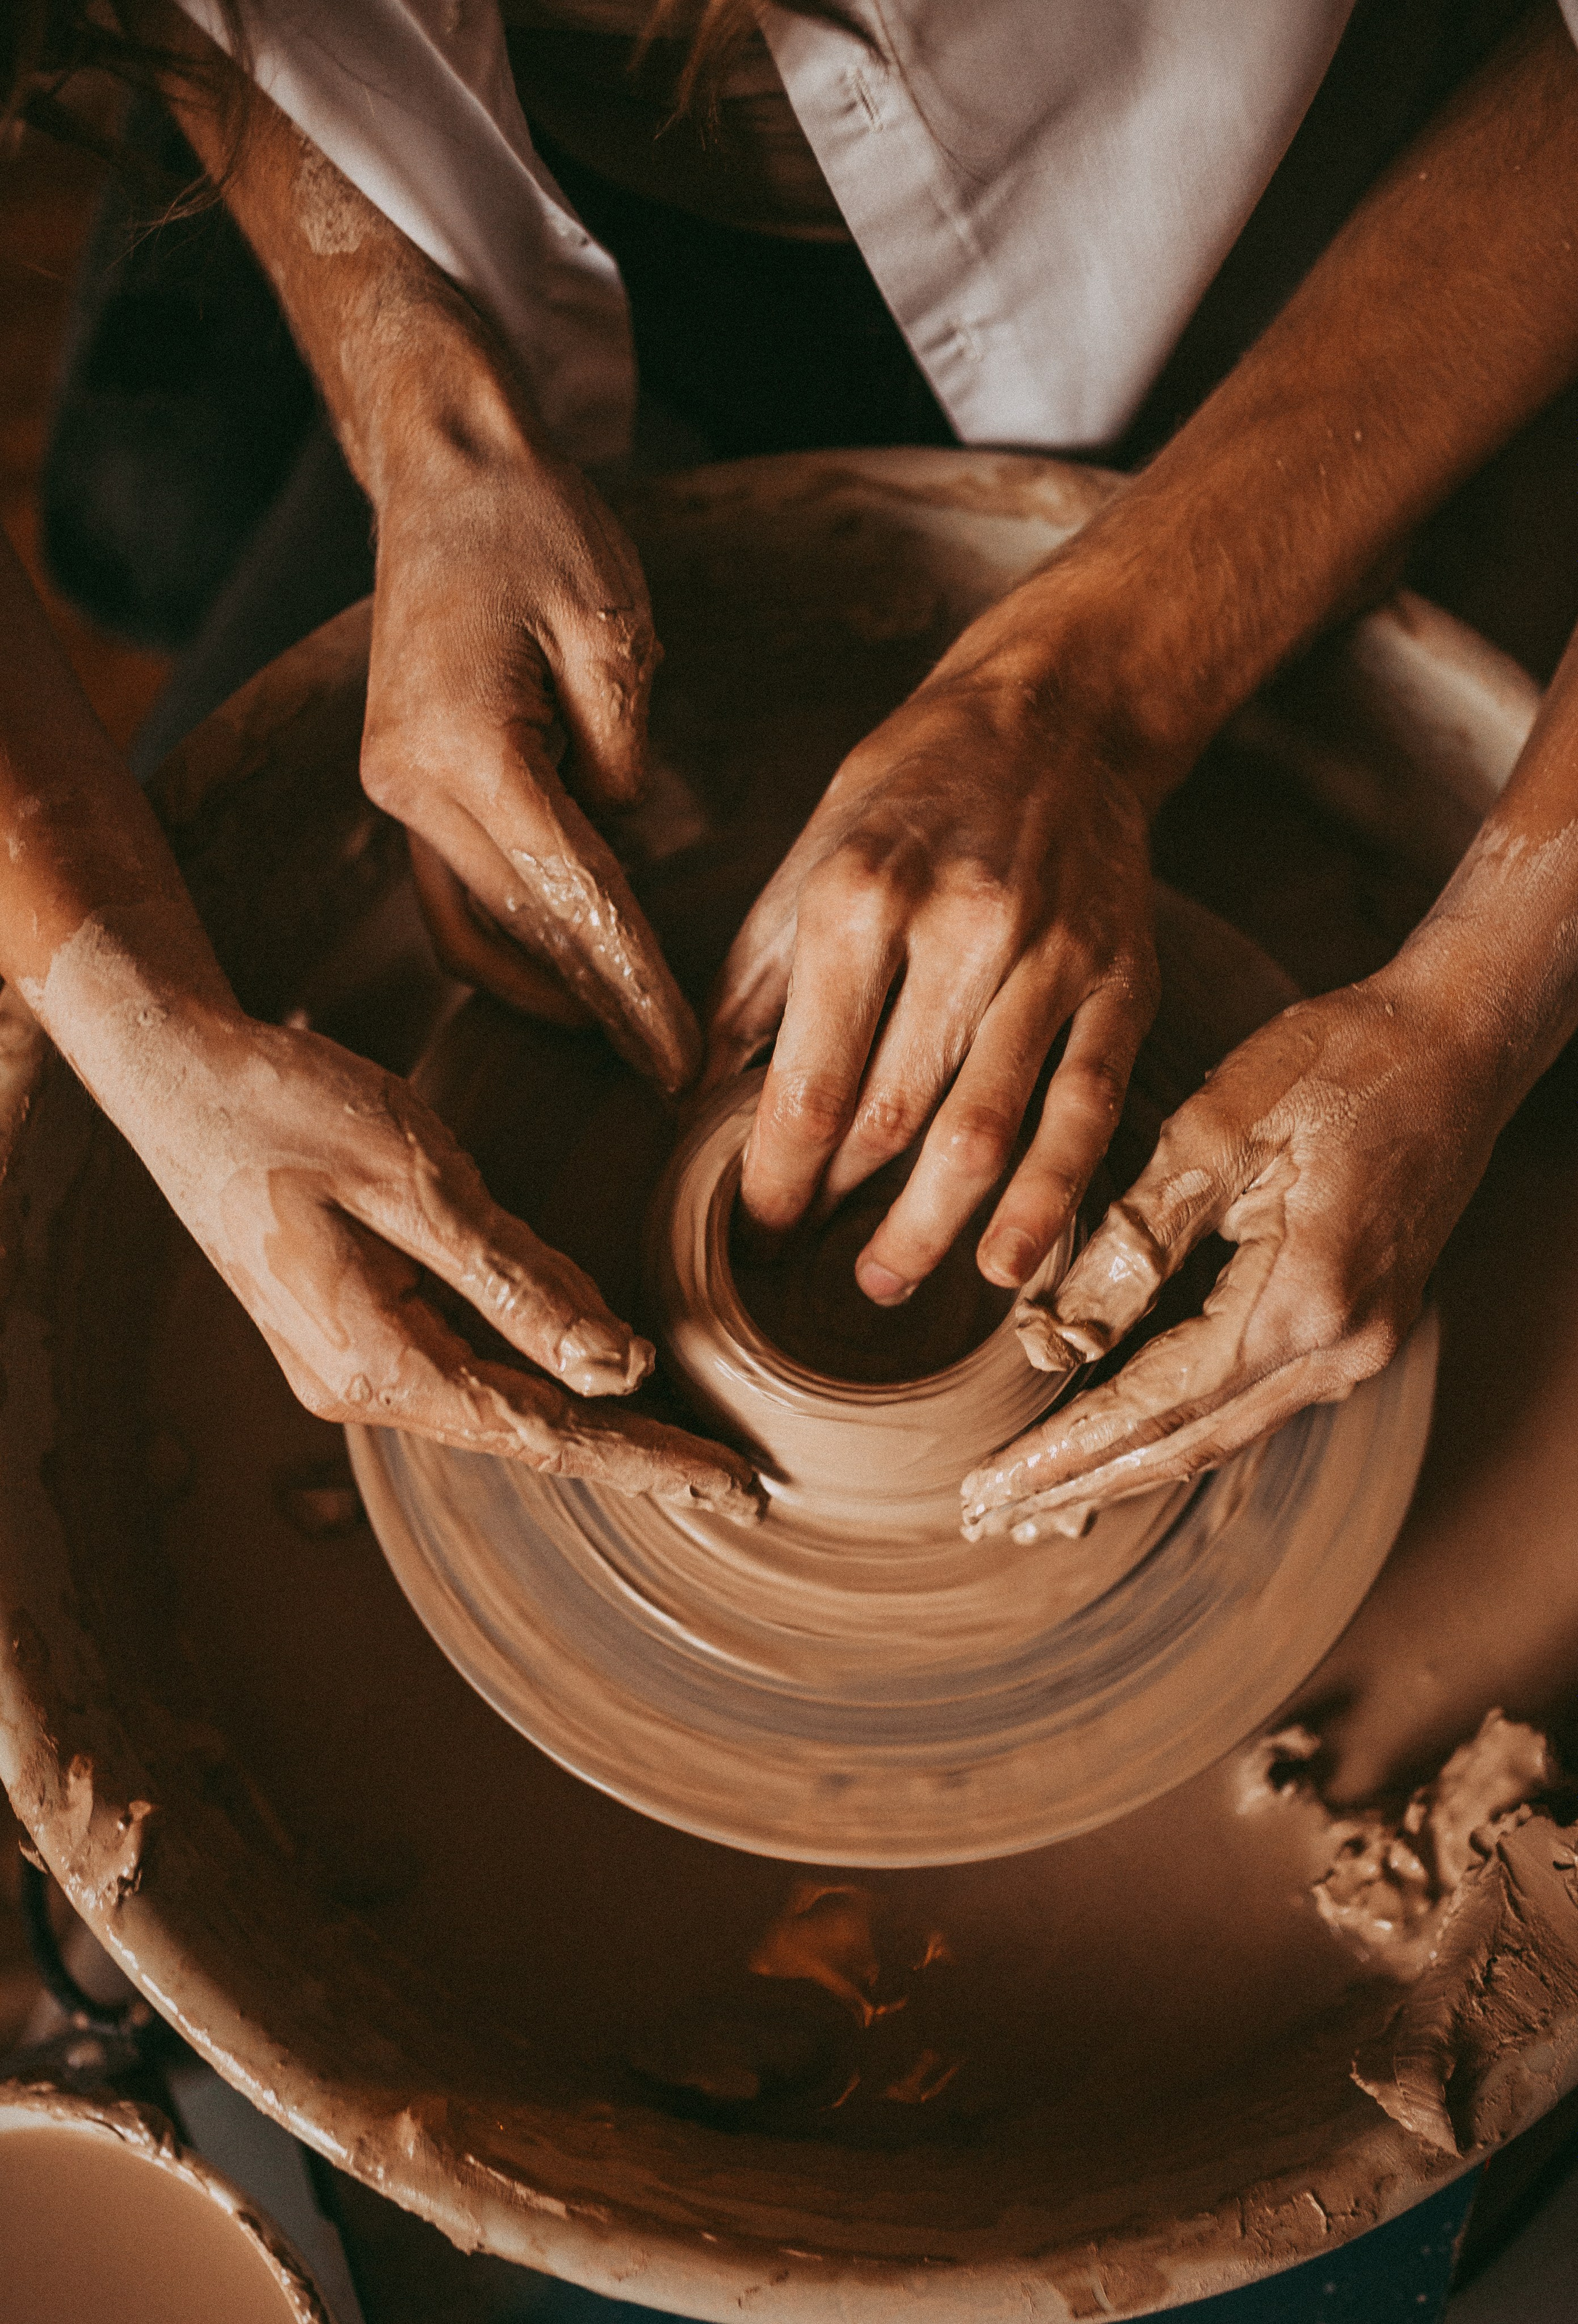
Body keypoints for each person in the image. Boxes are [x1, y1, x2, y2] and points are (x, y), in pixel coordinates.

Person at [9, 0, 1578, 1533]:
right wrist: (420, 407)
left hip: (1310, 190)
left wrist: (1467, 996)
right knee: (145, 547)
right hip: (513, 190)